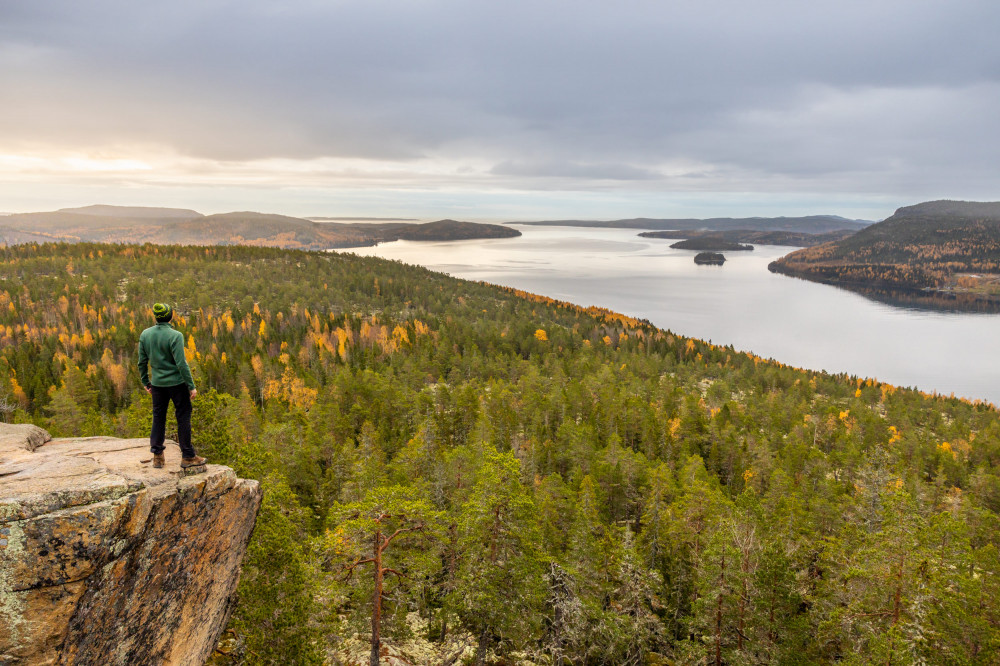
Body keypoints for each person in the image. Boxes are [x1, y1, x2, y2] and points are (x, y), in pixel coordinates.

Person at [137, 302, 205, 469]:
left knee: (158, 417)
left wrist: (146, 382)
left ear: (156, 317)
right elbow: (181, 364)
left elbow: (142, 362)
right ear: (171, 316)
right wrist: (191, 385)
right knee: (183, 416)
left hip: (158, 384)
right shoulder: (175, 335)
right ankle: (188, 456)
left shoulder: (145, 335)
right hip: (177, 384)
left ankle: (158, 456)